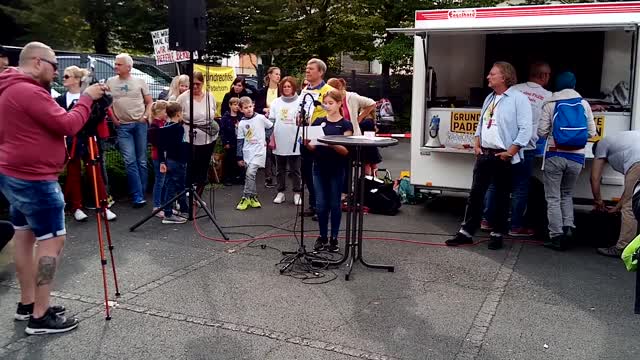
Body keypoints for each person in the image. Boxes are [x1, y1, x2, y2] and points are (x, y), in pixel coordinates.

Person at [0, 41, 107, 334]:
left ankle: (28, 303)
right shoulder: (28, 91)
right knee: (52, 242)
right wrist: (87, 99)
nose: (56, 71)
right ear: (37, 62)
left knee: (23, 237)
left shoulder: (8, 86)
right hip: (34, 179)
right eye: (53, 65)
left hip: (13, 172)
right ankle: (41, 314)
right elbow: (69, 125)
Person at [446, 61, 532, 250]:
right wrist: (477, 144)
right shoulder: (490, 98)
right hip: (485, 153)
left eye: (492, 74)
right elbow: (481, 123)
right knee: (476, 195)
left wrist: (511, 152)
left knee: (501, 196)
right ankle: (466, 232)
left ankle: (497, 233)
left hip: (503, 156)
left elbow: (526, 129)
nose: (488, 77)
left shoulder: (519, 99)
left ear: (504, 77)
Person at [482, 61, 552, 236]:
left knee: (494, 184)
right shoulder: (549, 96)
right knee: (521, 186)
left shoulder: (515, 90)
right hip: (525, 147)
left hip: (503, 145)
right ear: (544, 76)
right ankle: (515, 226)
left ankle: (487, 220)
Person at [538, 72, 596, 250]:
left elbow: (541, 132)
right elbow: (591, 133)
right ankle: (569, 228)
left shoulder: (551, 104)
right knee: (567, 194)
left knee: (553, 197)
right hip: (577, 158)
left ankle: (556, 236)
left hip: (555, 155)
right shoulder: (584, 104)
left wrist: (556, 136)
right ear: (573, 84)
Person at [56, 66, 116, 222]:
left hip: (89, 137)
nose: (63, 79)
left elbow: (100, 114)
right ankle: (76, 207)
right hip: (72, 139)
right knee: (73, 173)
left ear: (77, 79)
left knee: (95, 172)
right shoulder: (61, 99)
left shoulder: (90, 97)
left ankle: (103, 206)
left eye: (67, 76)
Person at [305, 90, 353, 252]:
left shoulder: (345, 125)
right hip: (319, 167)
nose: (328, 106)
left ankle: (334, 238)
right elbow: (312, 147)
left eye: (331, 103)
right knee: (320, 204)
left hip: (337, 168)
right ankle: (322, 236)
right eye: (326, 103)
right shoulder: (319, 121)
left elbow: (346, 150)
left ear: (340, 104)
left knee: (334, 203)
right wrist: (307, 143)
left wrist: (329, 142)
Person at [107, 53, 153, 208]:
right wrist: (114, 119)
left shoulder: (139, 82)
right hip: (123, 127)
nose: (115, 66)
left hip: (139, 124)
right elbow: (108, 103)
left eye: (119, 64)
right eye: (116, 64)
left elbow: (149, 102)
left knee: (141, 160)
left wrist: (145, 116)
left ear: (129, 67)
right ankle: (137, 195)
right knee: (129, 161)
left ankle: (142, 191)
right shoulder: (110, 82)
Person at [591, 131, 640, 257]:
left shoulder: (601, 144)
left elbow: (594, 178)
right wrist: (617, 206)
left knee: (629, 208)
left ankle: (622, 248)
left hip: (638, 162)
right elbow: (630, 190)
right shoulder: (621, 140)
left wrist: (598, 201)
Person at [176, 71, 219, 198]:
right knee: (191, 165)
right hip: (189, 136)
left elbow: (213, 112)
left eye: (198, 84)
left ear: (203, 84)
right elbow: (175, 115)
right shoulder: (183, 97)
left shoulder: (210, 96)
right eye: (192, 84)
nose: (195, 87)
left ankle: (198, 197)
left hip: (208, 136)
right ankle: (187, 193)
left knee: (203, 165)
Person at [301, 58, 334, 220]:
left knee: (321, 173)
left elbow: (333, 113)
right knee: (307, 172)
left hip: (320, 136)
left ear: (320, 72)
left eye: (311, 69)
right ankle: (313, 204)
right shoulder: (306, 89)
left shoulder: (329, 90)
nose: (307, 71)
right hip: (305, 134)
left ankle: (324, 207)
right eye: (306, 68)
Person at [327, 77, 379, 175]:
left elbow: (372, 103)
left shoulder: (352, 97)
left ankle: (348, 187)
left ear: (339, 89)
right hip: (336, 135)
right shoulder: (329, 99)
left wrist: (359, 118)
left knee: (348, 163)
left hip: (350, 137)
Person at [236, 96, 274, 210]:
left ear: (253, 106)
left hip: (259, 151)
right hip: (247, 152)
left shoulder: (261, 118)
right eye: (246, 108)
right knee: (249, 176)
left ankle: (245, 197)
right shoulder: (242, 123)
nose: (249, 109)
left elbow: (271, 126)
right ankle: (253, 197)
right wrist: (239, 157)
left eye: (250, 107)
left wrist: (266, 138)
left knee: (250, 174)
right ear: (241, 109)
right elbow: (240, 140)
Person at [269, 76, 302, 205]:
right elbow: (271, 121)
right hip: (279, 139)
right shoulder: (276, 102)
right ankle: (281, 192)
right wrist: (270, 136)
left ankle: (297, 193)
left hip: (295, 140)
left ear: (293, 87)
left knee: (295, 169)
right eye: (284, 86)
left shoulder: (300, 101)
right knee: (280, 169)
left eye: (289, 86)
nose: (286, 88)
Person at [158, 102, 190, 224]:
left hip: (168, 161)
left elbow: (161, 146)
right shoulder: (178, 128)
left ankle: (168, 211)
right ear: (178, 114)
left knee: (170, 186)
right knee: (180, 187)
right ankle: (183, 209)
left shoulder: (164, 127)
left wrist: (162, 161)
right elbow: (181, 146)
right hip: (178, 161)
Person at [256, 67, 281, 189]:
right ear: (269, 75)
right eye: (276, 74)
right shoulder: (261, 91)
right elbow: (256, 108)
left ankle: (281, 174)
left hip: (280, 122)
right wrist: (263, 109)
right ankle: (268, 177)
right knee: (268, 151)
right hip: (266, 122)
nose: (278, 76)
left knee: (279, 149)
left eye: (279, 74)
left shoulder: (282, 91)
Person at [148, 100, 169, 217]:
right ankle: (157, 206)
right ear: (159, 112)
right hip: (158, 157)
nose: (167, 114)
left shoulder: (163, 123)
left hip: (165, 156)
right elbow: (157, 142)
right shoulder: (155, 126)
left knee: (165, 181)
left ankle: (165, 204)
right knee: (160, 181)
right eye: (166, 112)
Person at [220, 97, 244, 186]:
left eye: (238, 105)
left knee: (239, 159)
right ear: (230, 105)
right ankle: (227, 178)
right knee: (229, 160)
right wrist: (225, 142)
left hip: (239, 141)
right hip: (230, 141)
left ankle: (239, 178)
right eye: (234, 105)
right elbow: (222, 131)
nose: (236, 107)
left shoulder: (241, 117)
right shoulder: (225, 118)